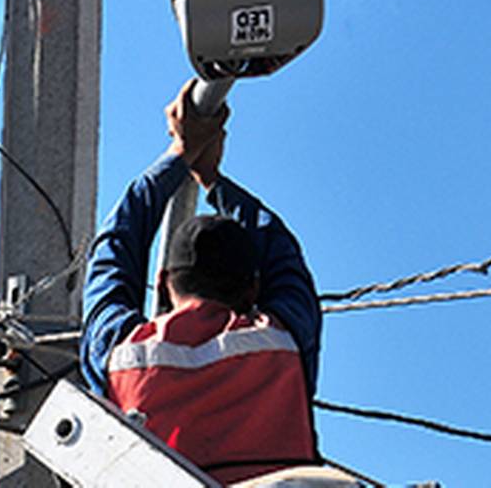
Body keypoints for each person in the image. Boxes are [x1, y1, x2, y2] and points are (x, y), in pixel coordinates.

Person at [81, 80, 323, 484]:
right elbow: (282, 250)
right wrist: (212, 179)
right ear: (253, 291)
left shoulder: (120, 352)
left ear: (161, 286)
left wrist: (179, 155)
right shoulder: (284, 340)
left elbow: (113, 249)